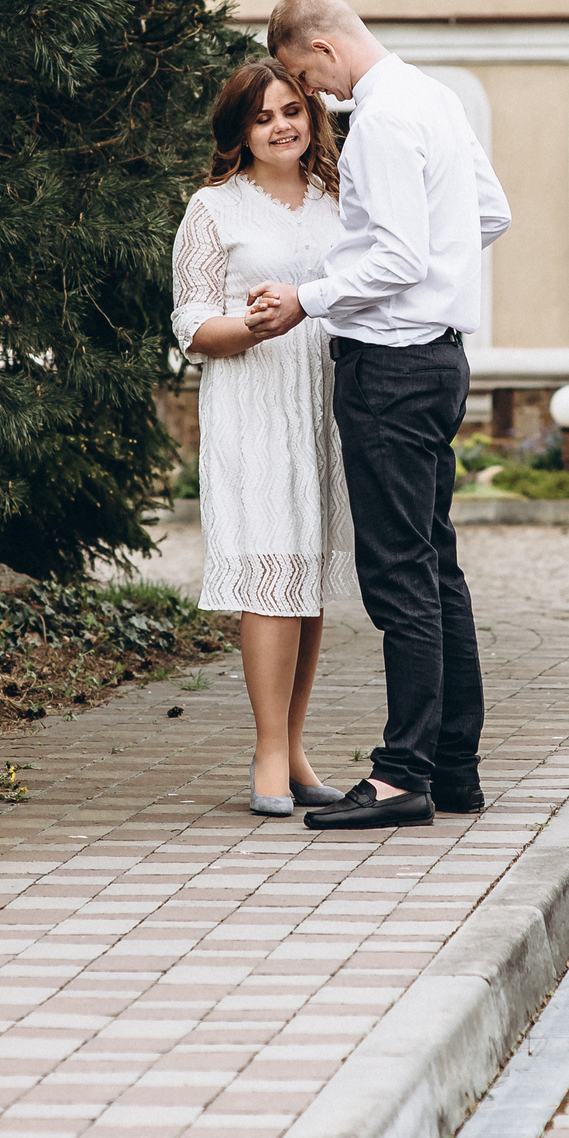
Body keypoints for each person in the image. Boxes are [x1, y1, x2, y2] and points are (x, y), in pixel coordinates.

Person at [245, 0, 510, 832]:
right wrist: (442, 271)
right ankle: (453, 767)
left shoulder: (386, 120)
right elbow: (489, 213)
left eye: (302, 81)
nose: (312, 99)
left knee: (399, 574)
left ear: (321, 48)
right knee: (436, 567)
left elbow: (395, 253)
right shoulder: (437, 97)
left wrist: (308, 296)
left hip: (392, 367)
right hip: (440, 359)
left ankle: (401, 776)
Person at [170, 59, 356, 818]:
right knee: (272, 578)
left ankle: (298, 742)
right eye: (263, 116)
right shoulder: (213, 210)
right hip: (256, 407)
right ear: (238, 132)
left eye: (292, 110)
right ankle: (266, 751)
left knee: (305, 581)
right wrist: (251, 326)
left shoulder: (338, 203)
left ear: (311, 116)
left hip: (326, 405)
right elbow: (189, 325)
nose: (282, 125)